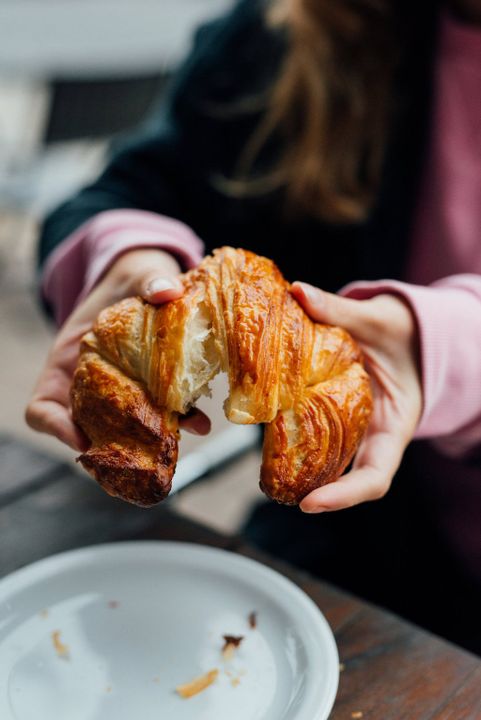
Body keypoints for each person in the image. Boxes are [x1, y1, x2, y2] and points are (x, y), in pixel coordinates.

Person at [26, 0, 481, 654]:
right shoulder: (295, 31)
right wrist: (127, 257)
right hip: (354, 532)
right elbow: (125, 192)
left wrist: (447, 349)